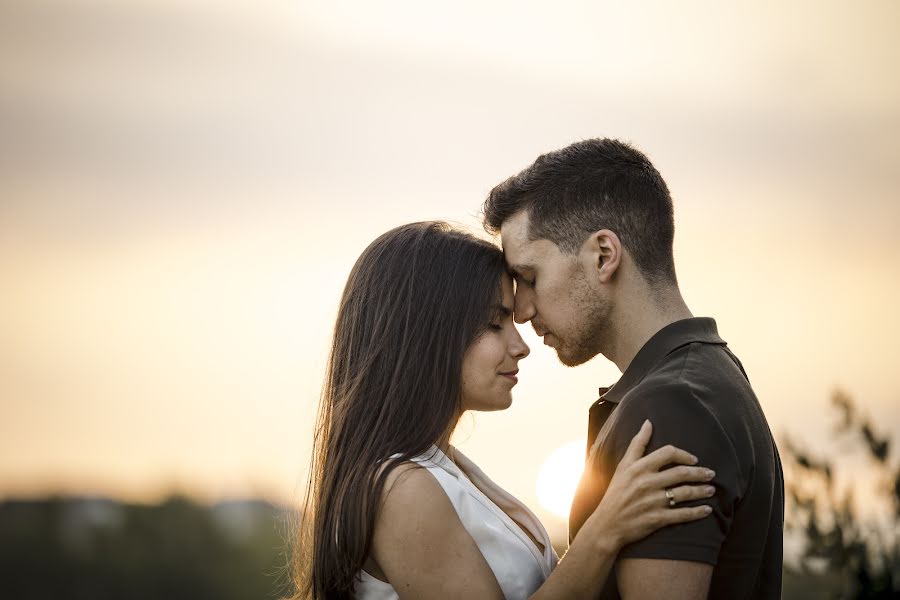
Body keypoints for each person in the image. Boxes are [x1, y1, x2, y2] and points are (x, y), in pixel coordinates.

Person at [293, 221, 718, 600]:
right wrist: (605, 530)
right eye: (495, 325)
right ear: (430, 333)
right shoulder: (403, 488)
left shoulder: (445, 468)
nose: (521, 346)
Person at [482, 138, 785, 599]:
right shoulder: (708, 375)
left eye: (530, 277)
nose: (521, 309)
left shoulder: (674, 405)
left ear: (604, 254)